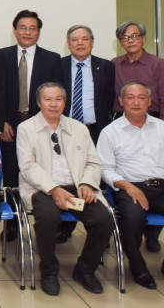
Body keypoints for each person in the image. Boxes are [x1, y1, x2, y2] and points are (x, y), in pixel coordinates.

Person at [98, 81, 164, 292]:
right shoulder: (110, 132)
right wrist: (127, 186)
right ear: (121, 101)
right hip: (130, 188)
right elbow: (105, 169)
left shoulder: (163, 128)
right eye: (130, 97)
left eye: (141, 97)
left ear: (149, 101)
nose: (136, 102)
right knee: (133, 219)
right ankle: (138, 268)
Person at [16, 83, 114, 296]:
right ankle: (49, 271)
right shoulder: (26, 128)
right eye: (48, 99)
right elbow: (27, 166)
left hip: (77, 187)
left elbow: (93, 162)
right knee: (48, 217)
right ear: (38, 103)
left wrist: (87, 183)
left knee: (104, 219)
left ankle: (85, 270)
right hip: (41, 187)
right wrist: (53, 189)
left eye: (58, 99)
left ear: (65, 102)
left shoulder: (79, 128)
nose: (53, 104)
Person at [111, 19, 164, 253]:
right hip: (122, 123)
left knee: (157, 174)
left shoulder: (158, 65)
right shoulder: (114, 65)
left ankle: (152, 234)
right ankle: (129, 227)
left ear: (143, 39)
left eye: (134, 36)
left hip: (154, 122)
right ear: (120, 42)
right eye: (125, 37)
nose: (130, 41)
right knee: (126, 173)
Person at [0, 9, 60, 243]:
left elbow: (57, 95)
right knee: (11, 175)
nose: (27, 32)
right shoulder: (1, 56)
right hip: (10, 124)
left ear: (38, 32)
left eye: (32, 28)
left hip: (39, 124)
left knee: (43, 171)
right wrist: (1, 121)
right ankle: (12, 223)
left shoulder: (52, 59)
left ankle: (46, 220)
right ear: (14, 30)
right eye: (22, 28)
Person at [54, 25, 115, 243]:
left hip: (95, 129)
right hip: (65, 129)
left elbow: (109, 99)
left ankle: (97, 226)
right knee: (68, 174)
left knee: (94, 175)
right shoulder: (58, 65)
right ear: (68, 43)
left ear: (92, 42)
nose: (80, 43)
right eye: (75, 39)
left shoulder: (106, 66)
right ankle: (66, 226)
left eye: (84, 39)